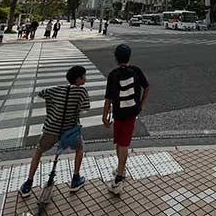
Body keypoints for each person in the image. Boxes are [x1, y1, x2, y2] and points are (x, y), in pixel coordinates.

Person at [20, 65, 90, 198]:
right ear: (79, 79)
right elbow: (85, 108)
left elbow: (41, 93)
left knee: (39, 151)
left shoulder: (56, 89)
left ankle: (28, 184)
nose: (85, 78)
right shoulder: (81, 92)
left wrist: (54, 107)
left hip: (51, 129)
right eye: (84, 76)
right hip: (70, 131)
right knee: (79, 149)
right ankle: (75, 179)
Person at [102, 44, 149, 195]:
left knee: (121, 143)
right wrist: (141, 104)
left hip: (118, 113)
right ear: (129, 57)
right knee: (122, 142)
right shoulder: (136, 71)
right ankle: (120, 169)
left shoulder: (113, 74)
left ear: (116, 58)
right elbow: (146, 87)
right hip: (131, 113)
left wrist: (104, 115)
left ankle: (119, 178)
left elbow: (108, 98)